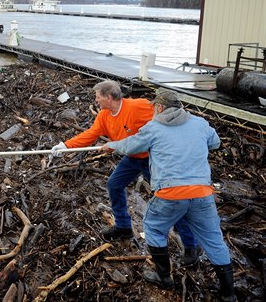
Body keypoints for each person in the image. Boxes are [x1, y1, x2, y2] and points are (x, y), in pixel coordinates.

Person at [101, 89, 235, 301]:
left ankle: (164, 277)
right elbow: (215, 143)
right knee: (214, 239)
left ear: (160, 108)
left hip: (171, 193)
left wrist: (111, 146)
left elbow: (130, 145)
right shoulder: (200, 123)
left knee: (154, 227)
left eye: (154, 107)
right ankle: (228, 293)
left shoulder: (153, 128)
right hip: (202, 193)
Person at [52, 80, 198, 265]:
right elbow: (91, 133)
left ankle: (191, 245)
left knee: (170, 198)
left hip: (153, 158)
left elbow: (168, 114)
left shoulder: (138, 106)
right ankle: (123, 226)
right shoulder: (104, 115)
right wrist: (65, 145)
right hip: (132, 157)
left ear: (109, 97)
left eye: (98, 97)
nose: (96, 101)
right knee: (114, 184)